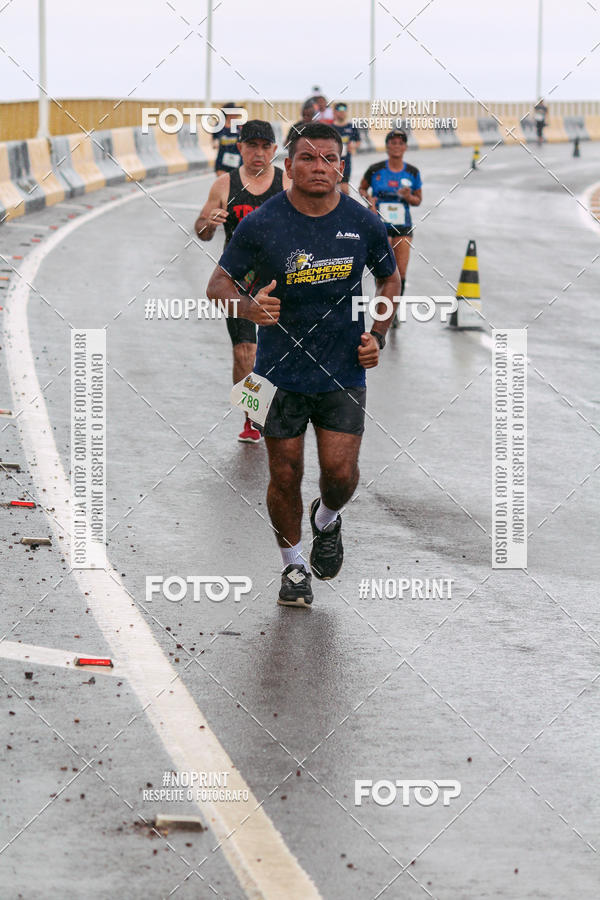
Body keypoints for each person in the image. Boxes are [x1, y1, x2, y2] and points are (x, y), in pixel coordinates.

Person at [207, 123, 401, 607]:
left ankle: (327, 519)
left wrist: (377, 335)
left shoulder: (363, 223)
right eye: (308, 159)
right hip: (280, 374)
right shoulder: (263, 223)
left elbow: (389, 282)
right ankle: (293, 568)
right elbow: (218, 286)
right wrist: (248, 309)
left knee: (340, 475)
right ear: (288, 165)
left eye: (329, 159)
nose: (319, 168)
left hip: (342, 370)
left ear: (342, 166)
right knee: (285, 475)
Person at [196, 120, 291, 442]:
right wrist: (209, 222)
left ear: (275, 151)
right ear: (240, 148)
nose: (259, 153)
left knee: (280, 354)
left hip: (284, 282)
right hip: (238, 283)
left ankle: (283, 410)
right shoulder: (224, 185)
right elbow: (202, 231)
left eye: (266, 147)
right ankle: (253, 418)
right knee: (244, 352)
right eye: (252, 146)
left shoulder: (287, 182)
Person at [359, 129, 422, 326]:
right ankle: (382, 310)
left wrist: (407, 196)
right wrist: (369, 199)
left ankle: (393, 311)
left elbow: (418, 200)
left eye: (400, 143)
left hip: (403, 225)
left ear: (405, 147)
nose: (396, 146)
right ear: (387, 146)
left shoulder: (412, 172)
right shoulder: (375, 169)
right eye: (392, 143)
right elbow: (361, 188)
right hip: (381, 226)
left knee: (401, 272)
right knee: (385, 271)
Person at [332, 102, 360, 195]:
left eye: (344, 111)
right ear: (335, 112)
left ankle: (345, 208)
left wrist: (353, 146)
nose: (342, 113)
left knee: (345, 189)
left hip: (346, 163)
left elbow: (358, 141)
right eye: (339, 111)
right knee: (332, 189)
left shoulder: (351, 127)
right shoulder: (331, 128)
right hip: (332, 162)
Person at [213, 103, 243, 176]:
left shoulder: (239, 126)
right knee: (223, 183)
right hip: (222, 160)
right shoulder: (219, 126)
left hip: (237, 161)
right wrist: (215, 143)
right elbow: (215, 139)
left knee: (236, 184)